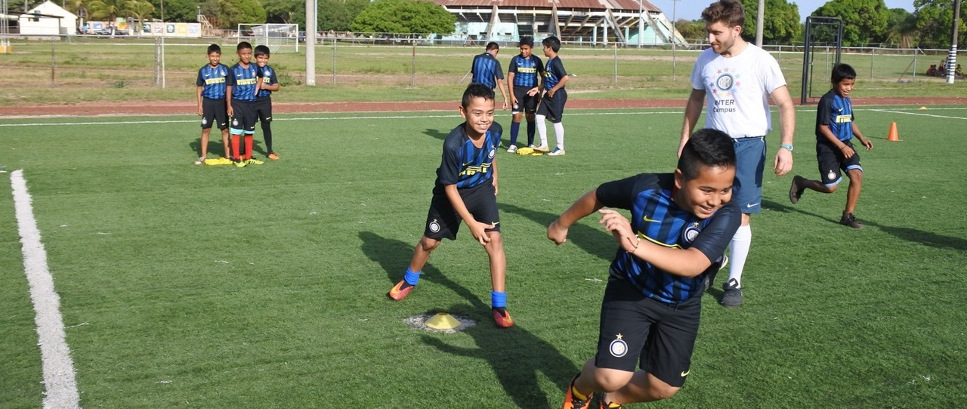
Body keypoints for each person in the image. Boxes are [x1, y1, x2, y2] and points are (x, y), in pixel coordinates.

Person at [549, 129, 740, 409]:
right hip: (631, 291)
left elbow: (693, 264)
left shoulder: (727, 212)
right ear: (680, 179)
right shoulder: (646, 188)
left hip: (682, 305)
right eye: (707, 190)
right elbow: (599, 194)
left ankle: (611, 401)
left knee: (663, 387)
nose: (716, 199)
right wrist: (561, 223)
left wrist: (634, 244)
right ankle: (580, 391)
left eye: (726, 189)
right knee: (611, 376)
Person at [680, 0, 795, 307]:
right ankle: (709, 262)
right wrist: (684, 141)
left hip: (748, 146)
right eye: (708, 32)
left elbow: (785, 104)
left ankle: (734, 281)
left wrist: (786, 146)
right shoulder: (705, 60)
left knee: (740, 216)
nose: (710, 39)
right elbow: (694, 101)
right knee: (706, 208)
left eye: (716, 33)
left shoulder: (761, 60)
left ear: (736, 29)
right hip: (712, 144)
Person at [387, 83, 513, 328]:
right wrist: (472, 223)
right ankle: (409, 279)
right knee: (430, 242)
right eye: (477, 113)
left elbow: (491, 152)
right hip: (451, 194)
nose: (484, 119)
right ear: (462, 111)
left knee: (495, 241)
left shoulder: (496, 130)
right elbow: (450, 187)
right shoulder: (453, 144)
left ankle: (499, 305)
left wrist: (495, 175)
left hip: (481, 190)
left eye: (489, 113)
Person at [789, 63, 872, 228]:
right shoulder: (827, 100)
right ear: (834, 82)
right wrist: (841, 146)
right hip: (828, 148)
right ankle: (801, 182)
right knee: (830, 188)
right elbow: (823, 127)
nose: (849, 88)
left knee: (857, 175)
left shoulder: (846, 100)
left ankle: (847, 216)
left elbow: (850, 121)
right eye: (845, 84)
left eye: (852, 84)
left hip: (846, 145)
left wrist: (861, 137)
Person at [226, 41, 264, 168]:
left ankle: (248, 157)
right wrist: (229, 104)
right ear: (238, 54)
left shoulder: (255, 67)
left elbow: (261, 77)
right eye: (244, 54)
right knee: (236, 131)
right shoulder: (233, 69)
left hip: (251, 104)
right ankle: (237, 158)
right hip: (238, 104)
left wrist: (257, 88)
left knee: (249, 131)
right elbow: (229, 87)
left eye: (249, 54)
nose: (247, 56)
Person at [505, 36, 545, 153]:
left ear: (531, 48)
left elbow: (543, 77)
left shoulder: (537, 60)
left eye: (526, 49)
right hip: (518, 91)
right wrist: (511, 95)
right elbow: (510, 77)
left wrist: (539, 91)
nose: (523, 51)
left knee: (530, 117)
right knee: (517, 116)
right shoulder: (515, 60)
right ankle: (512, 144)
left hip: (532, 93)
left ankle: (531, 143)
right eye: (521, 49)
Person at [194, 43, 231, 165]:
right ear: (208, 56)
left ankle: (228, 155)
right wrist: (199, 105)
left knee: (225, 130)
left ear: (220, 56)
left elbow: (229, 87)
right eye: (212, 56)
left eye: (217, 56)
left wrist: (229, 104)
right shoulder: (203, 70)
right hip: (208, 103)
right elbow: (199, 87)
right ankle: (203, 155)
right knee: (206, 129)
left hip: (222, 103)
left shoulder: (225, 69)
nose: (215, 58)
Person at [535, 35, 570, 156]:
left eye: (544, 47)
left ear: (550, 48)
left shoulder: (556, 62)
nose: (543, 49)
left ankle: (560, 147)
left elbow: (565, 78)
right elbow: (546, 79)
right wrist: (539, 89)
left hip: (557, 95)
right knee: (539, 116)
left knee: (556, 121)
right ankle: (544, 144)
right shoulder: (549, 62)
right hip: (548, 95)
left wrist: (554, 89)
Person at [253, 45, 281, 160]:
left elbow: (276, 86)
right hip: (251, 102)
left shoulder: (270, 71)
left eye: (265, 58)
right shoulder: (250, 69)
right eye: (260, 57)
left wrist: (265, 86)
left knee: (266, 126)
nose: (263, 60)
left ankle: (269, 151)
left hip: (265, 102)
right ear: (255, 57)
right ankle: (245, 151)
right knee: (249, 127)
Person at [470, 42, 509, 111]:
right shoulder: (495, 62)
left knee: (475, 111)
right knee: (487, 112)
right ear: (496, 50)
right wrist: (505, 98)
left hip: (474, 90)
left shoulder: (476, 58)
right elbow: (499, 81)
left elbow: (474, 74)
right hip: (487, 92)